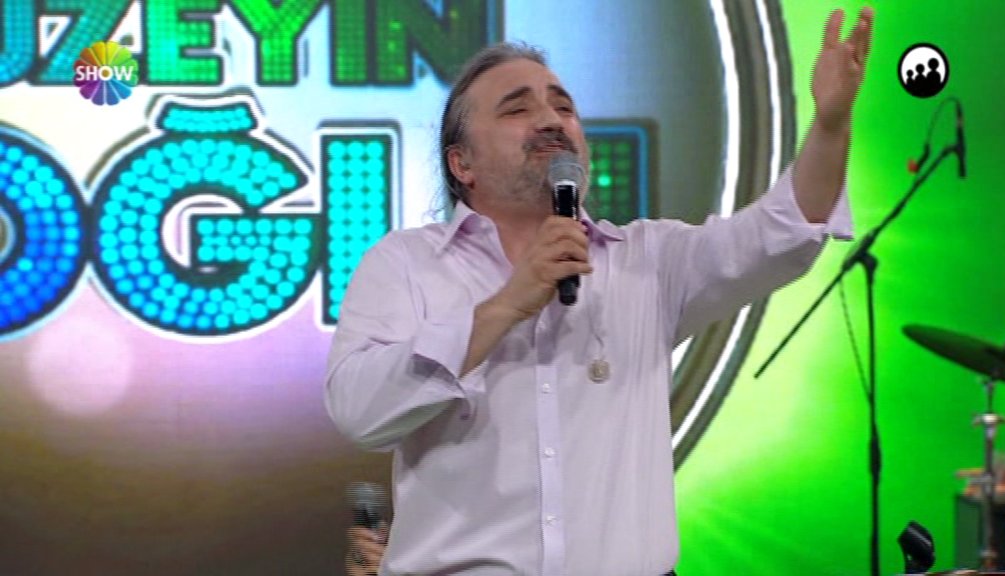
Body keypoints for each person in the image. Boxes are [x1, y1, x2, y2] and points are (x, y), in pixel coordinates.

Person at [325, 7, 874, 575]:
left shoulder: (648, 261)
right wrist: (506, 305)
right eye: (518, 108)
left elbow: (782, 233)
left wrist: (831, 123)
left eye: (563, 107)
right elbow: (360, 411)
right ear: (462, 163)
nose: (551, 120)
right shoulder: (406, 264)